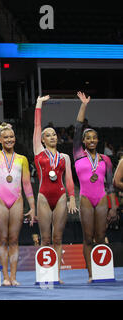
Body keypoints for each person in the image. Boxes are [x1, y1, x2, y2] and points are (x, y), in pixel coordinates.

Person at [0, 92, 35, 286]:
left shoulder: (22, 159)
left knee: (14, 239)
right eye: (6, 137)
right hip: (0, 200)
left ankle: (14, 277)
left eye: (12, 136)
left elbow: (27, 184)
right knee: (2, 238)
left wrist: (33, 206)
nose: (10, 139)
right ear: (1, 139)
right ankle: (5, 277)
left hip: (18, 201)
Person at [32, 95, 78, 283]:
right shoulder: (38, 152)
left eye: (54, 134)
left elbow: (68, 179)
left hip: (60, 196)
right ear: (42, 139)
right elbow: (36, 126)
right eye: (48, 134)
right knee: (45, 239)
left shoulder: (64, 157)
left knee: (58, 238)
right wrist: (39, 104)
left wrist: (72, 197)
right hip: (43, 196)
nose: (52, 136)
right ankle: (45, 273)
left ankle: (57, 275)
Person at [73, 92, 117, 283]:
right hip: (84, 199)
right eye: (88, 138)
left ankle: (102, 272)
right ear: (83, 141)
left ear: (98, 141)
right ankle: (91, 274)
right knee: (88, 238)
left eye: (94, 138)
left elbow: (109, 186)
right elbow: (77, 128)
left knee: (101, 236)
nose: (91, 140)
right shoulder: (77, 154)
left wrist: (113, 206)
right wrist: (83, 105)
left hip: (101, 199)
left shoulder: (105, 159)